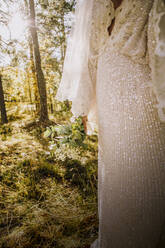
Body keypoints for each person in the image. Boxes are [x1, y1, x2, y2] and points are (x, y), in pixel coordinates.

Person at [56, 0, 165, 247]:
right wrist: (85, 104)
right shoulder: (92, 3)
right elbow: (88, 52)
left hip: (145, 97)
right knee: (115, 174)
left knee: (147, 176)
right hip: (107, 98)